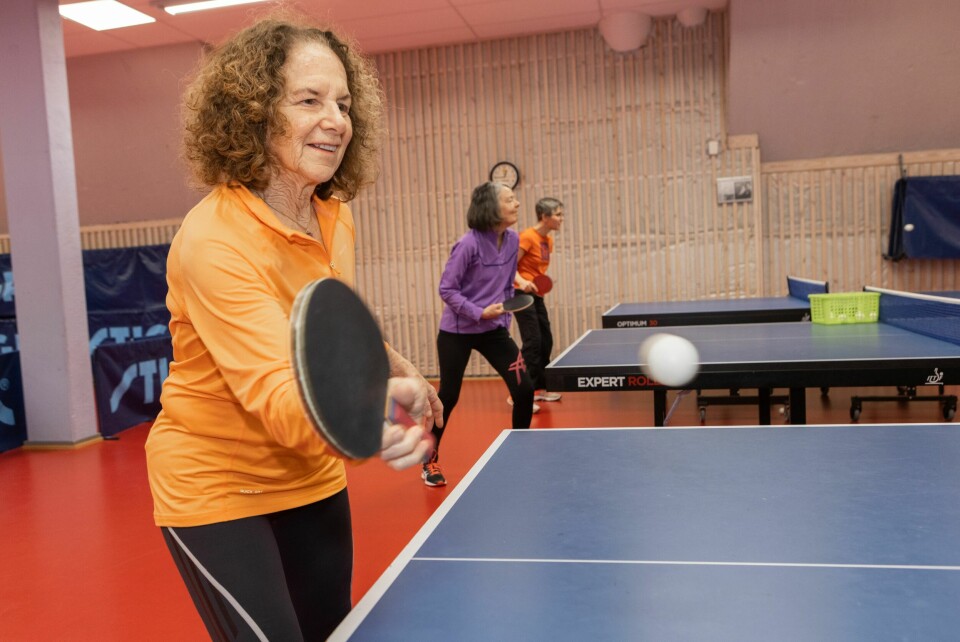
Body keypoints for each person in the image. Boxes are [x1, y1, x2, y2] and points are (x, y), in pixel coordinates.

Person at [144, 17, 439, 640]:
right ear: (253, 113)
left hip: (310, 477)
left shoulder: (334, 215)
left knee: (332, 631)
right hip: (216, 487)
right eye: (308, 100)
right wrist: (374, 415)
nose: (335, 119)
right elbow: (281, 400)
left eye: (343, 103)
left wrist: (393, 364)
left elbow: (316, 329)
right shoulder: (213, 241)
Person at [428, 182, 536, 487]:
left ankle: (519, 452)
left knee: (524, 388)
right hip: (458, 331)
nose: (517, 204)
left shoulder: (513, 239)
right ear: (491, 207)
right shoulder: (468, 245)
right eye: (509, 199)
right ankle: (429, 460)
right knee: (448, 397)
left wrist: (506, 313)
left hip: (494, 329)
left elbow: (504, 281)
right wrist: (478, 312)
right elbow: (446, 289)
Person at [512, 197, 565, 406]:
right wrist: (523, 281)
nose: (561, 219)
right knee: (532, 341)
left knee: (545, 339)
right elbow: (507, 267)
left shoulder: (548, 241)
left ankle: (539, 388)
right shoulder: (526, 237)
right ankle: (519, 393)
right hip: (519, 293)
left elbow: (538, 269)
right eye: (558, 214)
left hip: (536, 294)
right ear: (544, 216)